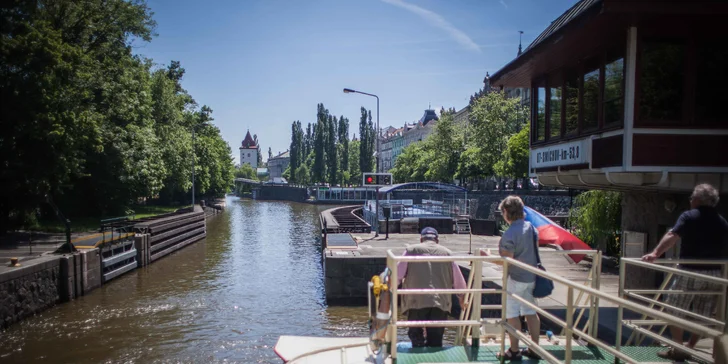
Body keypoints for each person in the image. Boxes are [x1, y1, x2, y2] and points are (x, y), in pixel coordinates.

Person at [642, 183, 728, 361]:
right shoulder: (722, 221)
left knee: (673, 307)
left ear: (697, 199)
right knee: (703, 313)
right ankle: (691, 345)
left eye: (691, 198)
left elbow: (672, 236)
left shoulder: (688, 217)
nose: (690, 201)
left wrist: (655, 253)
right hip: (714, 274)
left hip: (690, 271)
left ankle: (678, 346)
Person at [485, 195, 541, 361]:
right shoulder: (531, 228)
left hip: (516, 278)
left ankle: (514, 350)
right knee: (531, 312)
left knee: (512, 314)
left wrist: (486, 256)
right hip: (532, 277)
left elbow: (506, 261)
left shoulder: (509, 234)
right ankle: (535, 348)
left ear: (506, 212)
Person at [395, 227, 467, 347]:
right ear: (437, 240)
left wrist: (389, 292)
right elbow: (459, 282)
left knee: (416, 337)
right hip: (440, 302)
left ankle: (417, 356)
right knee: (436, 339)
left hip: (416, 301)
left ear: (421, 239)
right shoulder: (447, 253)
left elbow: (397, 275)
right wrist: (461, 298)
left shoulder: (411, 250)